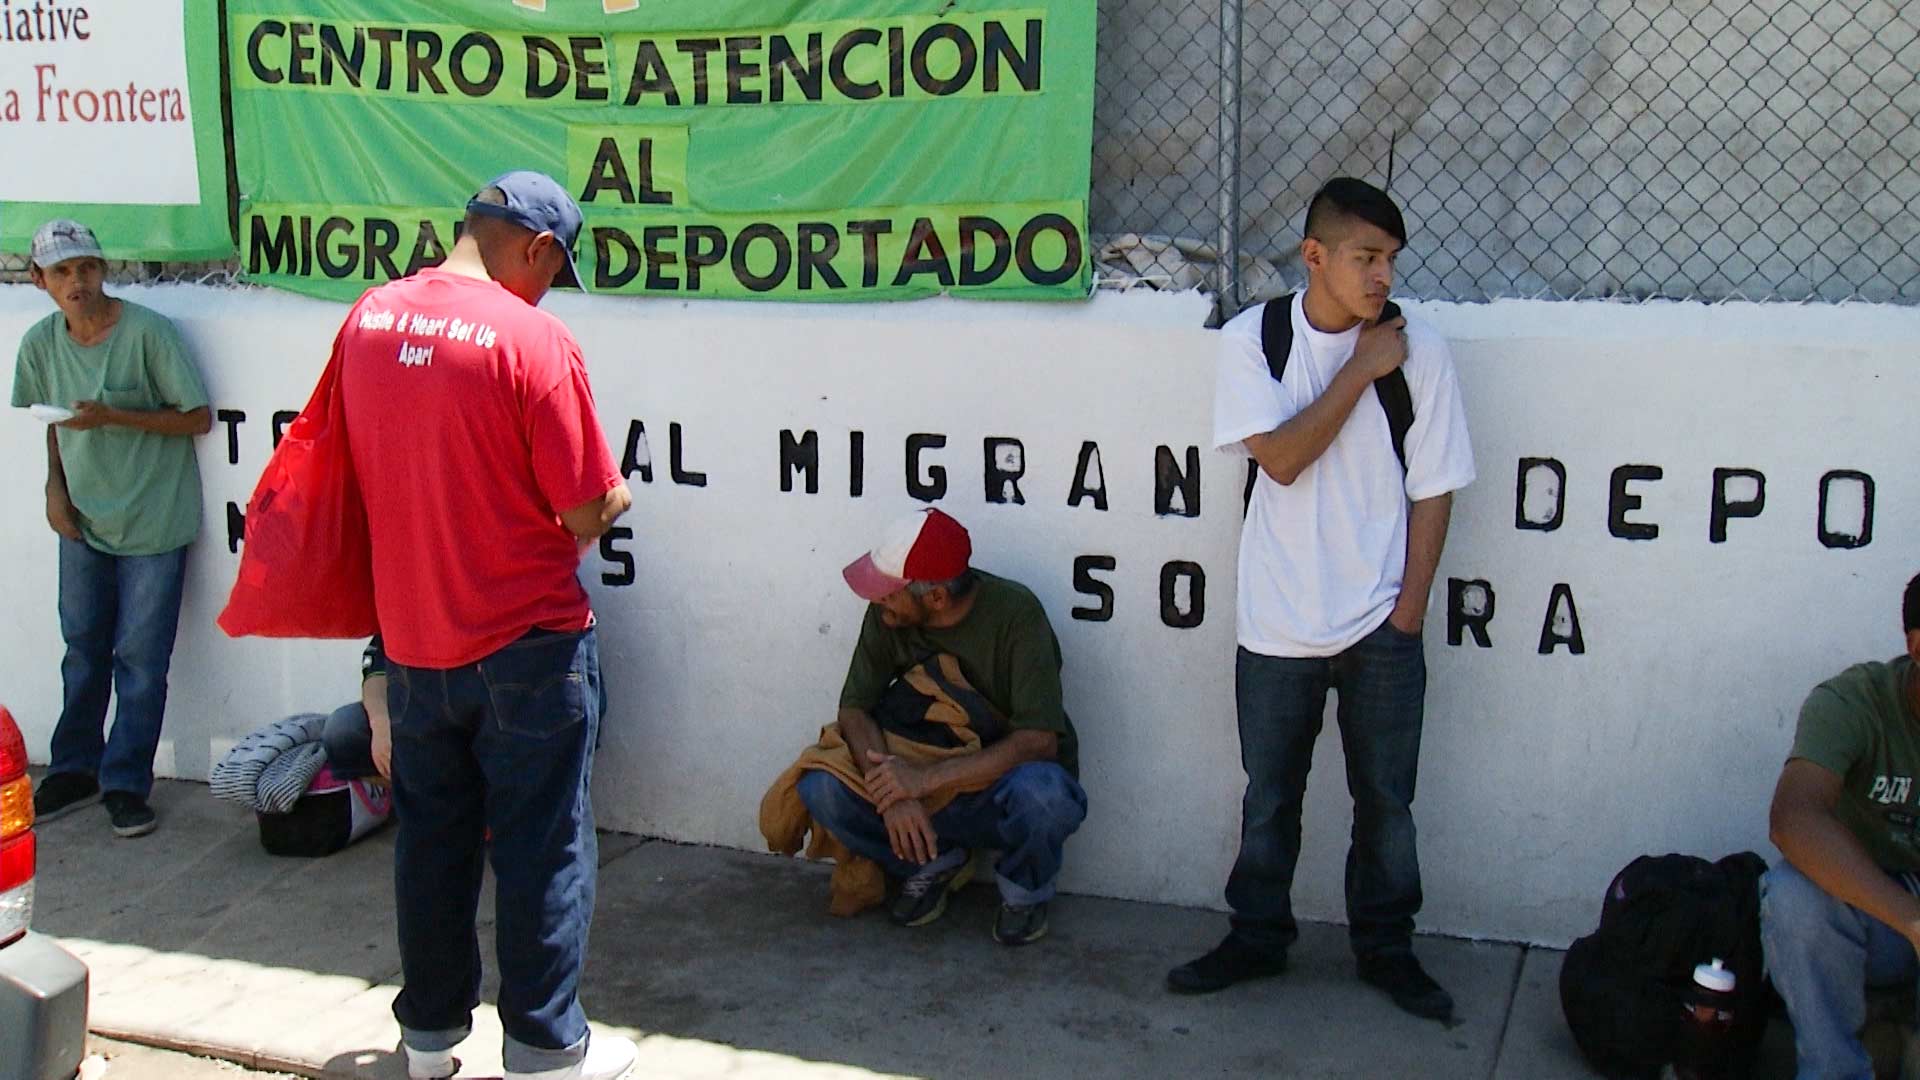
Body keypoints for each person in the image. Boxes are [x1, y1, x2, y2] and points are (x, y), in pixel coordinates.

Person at [334, 171, 635, 1080]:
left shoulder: (370, 319)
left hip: (416, 644)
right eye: (555, 268)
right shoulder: (534, 340)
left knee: (431, 845)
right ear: (536, 248)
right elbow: (586, 509)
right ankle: (545, 1049)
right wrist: (615, 494)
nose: (550, 287)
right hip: (528, 645)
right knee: (543, 847)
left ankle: (429, 1045)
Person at [1169, 177, 1475, 1021]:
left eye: (1390, 261)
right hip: (1277, 617)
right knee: (1269, 797)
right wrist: (1359, 372)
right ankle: (1257, 937)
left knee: (1387, 804)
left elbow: (1437, 487)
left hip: (1382, 622)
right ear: (1315, 257)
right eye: (1365, 258)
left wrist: (1406, 616)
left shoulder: (1424, 351)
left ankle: (1387, 949)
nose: (1383, 277)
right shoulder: (1252, 341)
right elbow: (1283, 458)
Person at [796, 507, 1088, 945]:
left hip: (995, 788)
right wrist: (891, 792)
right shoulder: (889, 615)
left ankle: (1024, 894)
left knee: (1047, 796)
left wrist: (923, 780)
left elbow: (1038, 741)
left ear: (935, 599)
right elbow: (855, 708)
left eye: (889, 593)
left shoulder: (1017, 615)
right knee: (820, 787)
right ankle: (930, 862)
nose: (877, 601)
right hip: (918, 773)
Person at [15, 218, 211, 839]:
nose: (78, 282)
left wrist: (114, 418)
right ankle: (74, 769)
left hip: (153, 518)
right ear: (39, 280)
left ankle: (126, 783)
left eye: (87, 268)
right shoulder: (41, 343)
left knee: (141, 659)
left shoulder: (149, 333)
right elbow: (51, 422)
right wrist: (54, 489)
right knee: (82, 648)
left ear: (104, 270)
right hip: (83, 518)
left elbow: (197, 418)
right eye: (63, 272)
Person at [1763, 572, 1920, 1079]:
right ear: (1918, 646)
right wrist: (1914, 921)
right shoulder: (1856, 701)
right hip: (1878, 916)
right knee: (1791, 897)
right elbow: (1794, 820)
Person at [319, 637, 394, 785]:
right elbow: (374, 680)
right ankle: (393, 795)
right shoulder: (399, 621)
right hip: (405, 717)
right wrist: (380, 725)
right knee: (342, 728)